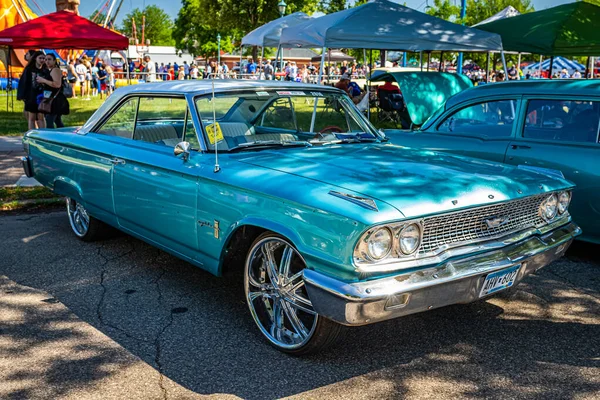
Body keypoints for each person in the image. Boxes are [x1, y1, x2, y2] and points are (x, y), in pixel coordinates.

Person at [35, 54, 69, 129]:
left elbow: (57, 84)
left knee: (49, 119)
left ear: (54, 61)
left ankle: (50, 136)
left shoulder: (55, 70)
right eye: (46, 59)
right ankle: (62, 135)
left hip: (55, 100)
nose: (47, 61)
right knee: (57, 120)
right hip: (52, 98)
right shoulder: (50, 70)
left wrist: (43, 80)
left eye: (49, 59)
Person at [18, 51, 47, 129]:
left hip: (42, 96)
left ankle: (43, 135)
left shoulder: (45, 70)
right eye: (40, 58)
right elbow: (24, 83)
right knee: (32, 117)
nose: (42, 60)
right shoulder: (29, 69)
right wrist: (23, 95)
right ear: (35, 58)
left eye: (43, 58)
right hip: (31, 96)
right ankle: (32, 135)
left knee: (41, 116)